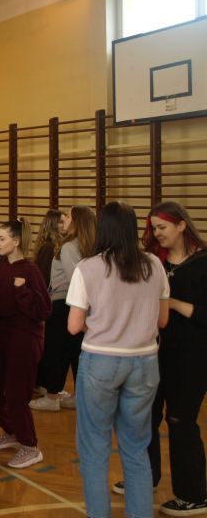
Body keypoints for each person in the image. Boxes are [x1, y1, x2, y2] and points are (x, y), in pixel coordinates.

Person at [67, 201, 169, 518]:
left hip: (101, 362)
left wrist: (102, 323)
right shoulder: (154, 264)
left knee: (94, 448)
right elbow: (163, 320)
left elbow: (73, 326)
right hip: (145, 362)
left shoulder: (88, 267)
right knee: (137, 448)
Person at [137, 201, 207, 516]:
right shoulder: (156, 262)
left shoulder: (203, 263)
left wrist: (172, 303)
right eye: (154, 228)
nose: (157, 233)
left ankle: (193, 495)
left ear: (181, 225)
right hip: (155, 354)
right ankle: (146, 477)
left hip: (191, 359)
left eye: (162, 227)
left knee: (180, 422)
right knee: (146, 417)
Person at [0, 219, 51, 469]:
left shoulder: (30, 270)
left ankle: (30, 446)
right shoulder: (2, 266)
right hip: (4, 336)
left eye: (2, 239)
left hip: (25, 338)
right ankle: (13, 431)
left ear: (16, 241)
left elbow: (43, 310)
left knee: (16, 395)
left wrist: (23, 291)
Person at [32, 206, 95, 412]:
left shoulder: (68, 247)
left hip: (64, 304)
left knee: (56, 351)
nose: (64, 219)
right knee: (75, 352)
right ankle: (78, 395)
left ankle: (52, 396)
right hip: (78, 305)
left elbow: (75, 278)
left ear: (77, 222)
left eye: (68, 216)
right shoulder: (88, 246)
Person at [30, 210, 63, 287]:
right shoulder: (48, 247)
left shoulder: (54, 245)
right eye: (61, 222)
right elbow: (44, 278)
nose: (65, 225)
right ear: (53, 225)